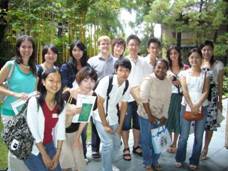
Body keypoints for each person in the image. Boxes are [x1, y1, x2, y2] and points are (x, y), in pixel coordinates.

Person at [0, 35, 37, 171]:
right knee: (15, 144)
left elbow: (35, 90)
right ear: (18, 48)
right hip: (10, 112)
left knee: (25, 143)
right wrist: (14, 94)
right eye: (23, 46)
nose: (26, 50)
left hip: (28, 114)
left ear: (33, 49)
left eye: (29, 47)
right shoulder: (11, 65)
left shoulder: (35, 69)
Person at [93, 58, 131, 171]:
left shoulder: (127, 84)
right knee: (108, 143)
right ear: (116, 70)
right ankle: (107, 168)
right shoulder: (107, 81)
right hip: (99, 116)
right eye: (121, 70)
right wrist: (104, 124)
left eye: (127, 70)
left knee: (116, 145)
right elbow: (99, 103)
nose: (124, 73)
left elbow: (124, 106)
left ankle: (109, 164)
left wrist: (120, 126)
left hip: (113, 116)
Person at [24, 67, 65, 171]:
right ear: (43, 82)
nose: (55, 84)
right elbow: (33, 131)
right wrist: (44, 155)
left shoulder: (61, 104)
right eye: (51, 80)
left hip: (49, 144)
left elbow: (60, 130)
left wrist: (57, 155)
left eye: (58, 81)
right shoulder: (34, 101)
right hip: (31, 146)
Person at [175, 48, 209, 170]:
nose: (194, 60)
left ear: (201, 59)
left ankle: (194, 160)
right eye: (192, 57)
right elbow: (184, 90)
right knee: (184, 136)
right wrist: (191, 105)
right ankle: (179, 158)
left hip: (202, 107)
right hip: (186, 106)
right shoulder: (184, 73)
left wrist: (198, 105)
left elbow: (206, 91)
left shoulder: (206, 74)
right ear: (188, 59)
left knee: (199, 137)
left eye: (197, 57)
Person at [60, 66, 98, 171]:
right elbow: (55, 114)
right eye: (85, 80)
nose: (89, 84)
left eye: (92, 80)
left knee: (78, 162)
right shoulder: (68, 94)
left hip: (75, 132)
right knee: (66, 163)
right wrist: (70, 111)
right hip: (60, 133)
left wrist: (77, 138)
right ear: (79, 80)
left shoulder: (92, 96)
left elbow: (84, 119)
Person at [138, 59, 172, 171]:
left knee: (158, 139)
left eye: (164, 68)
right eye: (158, 67)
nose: (161, 70)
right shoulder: (149, 79)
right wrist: (150, 116)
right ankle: (147, 163)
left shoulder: (167, 82)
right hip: (145, 114)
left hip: (160, 115)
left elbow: (167, 100)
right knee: (147, 140)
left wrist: (165, 115)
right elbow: (144, 98)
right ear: (154, 68)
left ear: (167, 69)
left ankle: (155, 160)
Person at [122, 34, 151, 161]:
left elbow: (149, 79)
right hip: (126, 98)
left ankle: (136, 145)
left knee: (138, 123)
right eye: (131, 44)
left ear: (139, 47)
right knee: (126, 124)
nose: (133, 47)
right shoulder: (123, 61)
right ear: (128, 46)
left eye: (136, 45)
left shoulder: (144, 62)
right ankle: (126, 147)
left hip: (139, 98)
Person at [88, 35, 116, 159]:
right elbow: (87, 78)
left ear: (110, 45)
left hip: (111, 97)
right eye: (102, 43)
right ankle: (95, 148)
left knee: (109, 119)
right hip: (95, 96)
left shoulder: (115, 61)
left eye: (107, 43)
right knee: (95, 121)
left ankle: (109, 144)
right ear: (98, 45)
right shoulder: (92, 61)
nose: (105, 45)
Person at [60, 40, 90, 159]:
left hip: (86, 101)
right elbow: (65, 84)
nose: (77, 52)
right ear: (71, 51)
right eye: (74, 50)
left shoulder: (88, 67)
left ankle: (82, 155)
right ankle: (69, 156)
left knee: (83, 128)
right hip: (71, 102)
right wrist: (76, 92)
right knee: (70, 128)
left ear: (83, 51)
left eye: (80, 50)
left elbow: (92, 83)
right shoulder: (66, 67)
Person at [200, 40, 224, 160]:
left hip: (212, 96)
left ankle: (205, 148)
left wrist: (220, 101)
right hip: (199, 96)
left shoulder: (218, 64)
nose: (206, 52)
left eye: (209, 49)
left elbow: (219, 84)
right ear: (201, 51)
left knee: (209, 124)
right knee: (198, 123)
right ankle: (198, 146)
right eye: (204, 49)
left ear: (212, 50)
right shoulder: (197, 62)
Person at [166, 46, 184, 153]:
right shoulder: (166, 67)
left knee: (178, 119)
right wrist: (171, 81)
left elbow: (189, 82)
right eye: (171, 53)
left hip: (180, 97)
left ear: (179, 54)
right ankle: (168, 142)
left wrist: (180, 82)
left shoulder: (185, 67)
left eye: (175, 53)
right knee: (168, 119)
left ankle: (175, 143)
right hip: (168, 96)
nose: (173, 55)